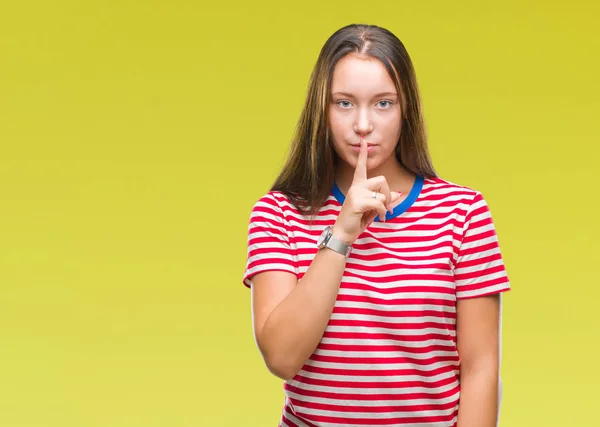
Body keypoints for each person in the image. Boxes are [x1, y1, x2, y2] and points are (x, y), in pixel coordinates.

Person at [242, 23, 510, 427]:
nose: (363, 124)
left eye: (383, 103)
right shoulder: (279, 212)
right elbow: (281, 356)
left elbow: (480, 369)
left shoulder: (463, 212)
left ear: (407, 110)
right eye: (344, 103)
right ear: (323, 109)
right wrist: (342, 234)